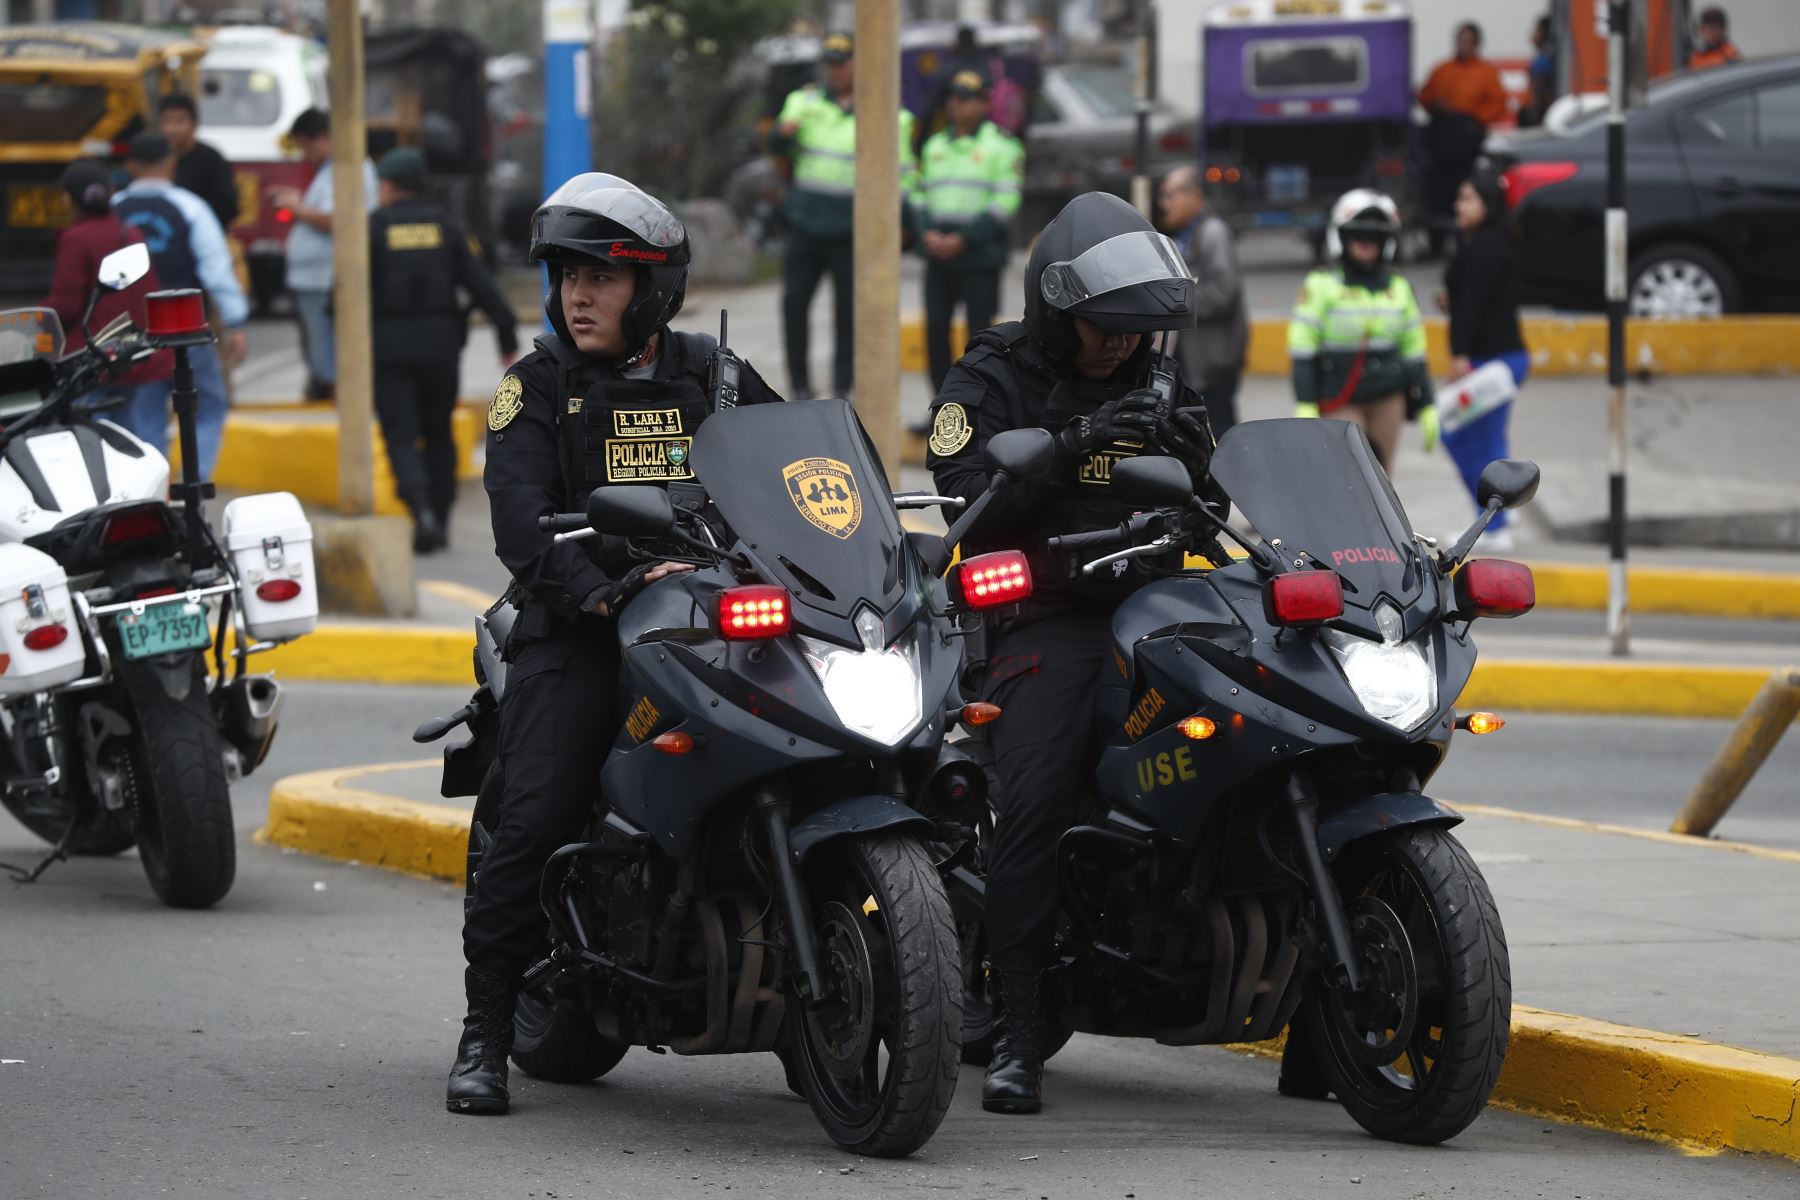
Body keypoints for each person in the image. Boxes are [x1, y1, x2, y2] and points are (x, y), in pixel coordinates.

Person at [449, 173, 784, 1117]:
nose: (578, 295)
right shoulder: (536, 387)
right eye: (566, 275)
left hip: (709, 624)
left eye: (603, 276)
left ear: (656, 291)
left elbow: (800, 471)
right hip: (585, 627)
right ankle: (483, 1032)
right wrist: (600, 593)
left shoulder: (714, 378)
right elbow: (519, 522)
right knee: (539, 809)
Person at [926, 192, 1215, 1116]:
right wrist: (1072, 443)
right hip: (1051, 616)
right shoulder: (993, 373)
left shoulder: (1158, 370)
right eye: (1104, 328)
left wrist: (1187, 444)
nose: (1120, 346)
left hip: (1165, 604)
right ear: (1058, 308)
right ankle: (1016, 1028)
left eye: (1136, 331)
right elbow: (963, 497)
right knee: (1039, 796)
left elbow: (1213, 483)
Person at [368, 147, 520, 554]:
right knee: (438, 433)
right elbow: (483, 285)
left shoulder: (374, 228)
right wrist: (505, 333)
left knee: (400, 435)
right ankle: (441, 513)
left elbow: (340, 298)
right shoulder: (446, 228)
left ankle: (422, 513)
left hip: (389, 349)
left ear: (388, 186)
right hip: (440, 347)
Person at [770, 31, 918, 400]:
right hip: (805, 223)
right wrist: (781, 134)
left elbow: (902, 174)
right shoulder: (802, 102)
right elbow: (776, 145)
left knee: (848, 313)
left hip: (851, 229)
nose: (834, 71)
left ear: (858, 64)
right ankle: (800, 386)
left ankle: (841, 387)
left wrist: (904, 223)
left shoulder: (885, 113)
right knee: (794, 305)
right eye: (830, 64)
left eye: (842, 63)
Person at [112, 132, 248, 478]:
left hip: (129, 333)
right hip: (184, 331)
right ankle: (193, 489)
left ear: (131, 166)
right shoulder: (191, 207)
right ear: (171, 163)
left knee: (144, 418)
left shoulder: (115, 210)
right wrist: (235, 321)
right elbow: (216, 269)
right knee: (207, 408)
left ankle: (153, 495)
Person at [1288, 189, 1432, 473]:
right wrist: (1305, 402)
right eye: (1358, 234)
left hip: (1388, 396)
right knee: (1348, 477)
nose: (1366, 243)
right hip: (1340, 395)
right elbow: (1303, 348)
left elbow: (1413, 348)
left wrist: (1427, 403)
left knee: (1382, 480)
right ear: (1341, 236)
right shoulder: (1320, 285)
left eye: (1375, 236)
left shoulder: (1399, 287)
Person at [913, 69, 1024, 396]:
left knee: (982, 337)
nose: (957, 105)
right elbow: (919, 195)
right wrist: (926, 233)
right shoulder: (934, 145)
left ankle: (979, 403)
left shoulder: (1002, 146)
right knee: (935, 332)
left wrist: (964, 239)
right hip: (938, 255)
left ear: (984, 103)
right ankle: (941, 403)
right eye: (954, 98)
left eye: (966, 99)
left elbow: (1006, 200)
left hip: (979, 255)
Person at [1440, 169, 1527, 552]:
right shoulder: (1478, 242)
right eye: (1458, 197)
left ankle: (1496, 525)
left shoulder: (1486, 247)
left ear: (1488, 205)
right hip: (1500, 358)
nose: (1459, 205)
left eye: (1468, 199)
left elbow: (1474, 305)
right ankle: (1502, 512)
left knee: (1460, 436)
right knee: (1486, 439)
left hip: (1491, 362)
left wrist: (1459, 354)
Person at [269, 108, 378, 403]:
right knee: (320, 348)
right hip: (313, 278)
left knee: (326, 348)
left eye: (304, 146)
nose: (304, 155)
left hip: (324, 278)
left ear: (320, 138)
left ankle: (337, 403)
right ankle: (329, 394)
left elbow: (336, 219)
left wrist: (295, 206)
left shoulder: (349, 167)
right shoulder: (332, 169)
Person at [42, 160, 172, 406]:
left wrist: (35, 322)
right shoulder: (130, 231)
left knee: (89, 435)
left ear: (70, 200)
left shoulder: (76, 238)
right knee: (137, 437)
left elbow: (67, 303)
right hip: (137, 353)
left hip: (93, 358)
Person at [1158, 164, 1248, 440]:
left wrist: (1172, 301)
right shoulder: (1185, 237)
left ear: (1193, 195)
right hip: (1195, 363)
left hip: (1213, 364)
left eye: (1170, 194)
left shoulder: (1212, 233)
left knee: (1220, 437)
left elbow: (1222, 293)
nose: (1164, 203)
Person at [1418, 23, 1507, 257]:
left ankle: (1464, 240)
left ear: (1476, 44)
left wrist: (1476, 120)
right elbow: (1425, 95)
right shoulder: (1443, 69)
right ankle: (1435, 243)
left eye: (1467, 41)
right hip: (1442, 143)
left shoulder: (1486, 72)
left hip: (1467, 143)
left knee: (1466, 190)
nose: (1462, 45)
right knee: (1437, 193)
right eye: (1459, 40)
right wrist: (1437, 106)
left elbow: (1498, 103)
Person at [159, 93, 239, 231]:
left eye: (180, 121)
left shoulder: (211, 159)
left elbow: (228, 206)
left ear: (194, 124)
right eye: (167, 121)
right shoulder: (155, 158)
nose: (172, 129)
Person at [1522, 15, 1557, 129]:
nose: (1533, 35)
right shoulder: (1547, 56)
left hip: (1540, 113)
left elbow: (1541, 91)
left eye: (1537, 30)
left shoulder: (1544, 60)